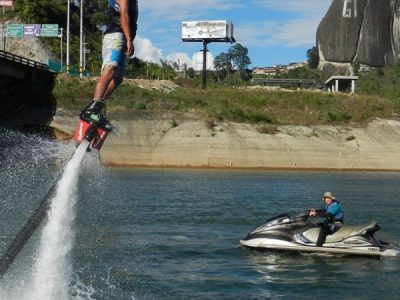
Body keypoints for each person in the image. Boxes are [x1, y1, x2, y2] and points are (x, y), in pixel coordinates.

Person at [79, 0, 139, 126]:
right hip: (115, 36)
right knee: (110, 69)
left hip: (121, 37)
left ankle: (97, 107)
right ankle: (92, 109)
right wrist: (129, 39)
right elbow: (123, 15)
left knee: (118, 78)